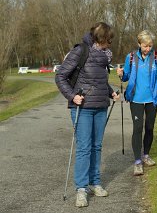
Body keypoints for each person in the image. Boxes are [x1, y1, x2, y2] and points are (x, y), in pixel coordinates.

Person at [55, 22, 119, 207]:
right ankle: (81, 189)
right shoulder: (80, 51)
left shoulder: (105, 56)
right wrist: (72, 96)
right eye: (108, 40)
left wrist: (110, 91)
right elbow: (60, 76)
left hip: (100, 105)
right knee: (84, 147)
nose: (109, 44)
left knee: (97, 146)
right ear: (100, 38)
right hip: (82, 107)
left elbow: (98, 79)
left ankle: (94, 183)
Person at [117, 30, 157, 176]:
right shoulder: (131, 57)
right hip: (136, 98)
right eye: (145, 46)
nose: (148, 49)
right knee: (138, 128)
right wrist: (121, 74)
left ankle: (146, 156)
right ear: (139, 44)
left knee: (149, 127)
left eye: (150, 46)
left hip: (152, 98)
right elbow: (126, 76)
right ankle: (137, 161)